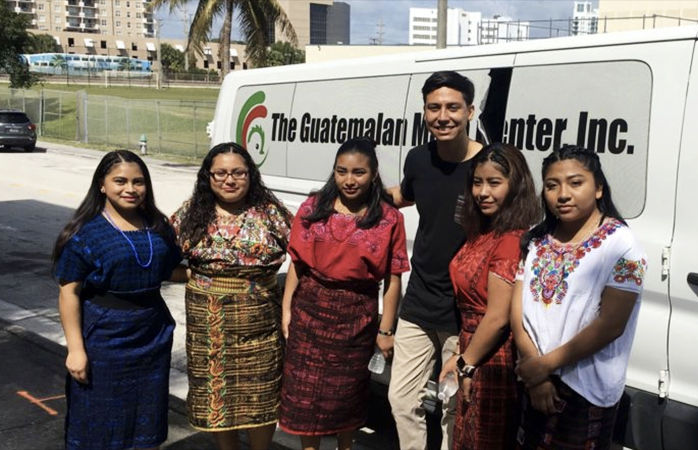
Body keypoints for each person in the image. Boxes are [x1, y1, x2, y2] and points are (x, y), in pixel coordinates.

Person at [511, 145, 647, 449]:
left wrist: (545, 367)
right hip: (535, 378)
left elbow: (611, 325)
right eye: (551, 185)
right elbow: (517, 312)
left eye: (576, 183)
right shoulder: (536, 240)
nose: (562, 194)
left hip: (584, 389)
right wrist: (536, 372)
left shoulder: (622, 246)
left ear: (598, 188)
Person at [279, 137, 409, 450]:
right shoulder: (313, 208)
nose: (349, 180)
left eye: (358, 172)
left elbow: (393, 279)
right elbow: (297, 264)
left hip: (356, 319)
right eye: (342, 171)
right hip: (309, 313)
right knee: (305, 398)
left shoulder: (390, 218)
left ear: (374, 174)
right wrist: (287, 311)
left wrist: (386, 329)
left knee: (346, 396)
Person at [52, 150, 184, 450]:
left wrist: (214, 273)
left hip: (152, 336)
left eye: (139, 182)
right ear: (102, 184)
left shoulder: (158, 226)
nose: (130, 189)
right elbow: (68, 292)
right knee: (98, 421)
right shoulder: (84, 233)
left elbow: (169, 270)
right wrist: (75, 350)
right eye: (120, 181)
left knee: (146, 421)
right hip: (104, 339)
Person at [170, 142, 292, 450]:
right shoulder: (192, 213)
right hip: (208, 324)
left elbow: (306, 257)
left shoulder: (270, 213)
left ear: (250, 174)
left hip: (260, 323)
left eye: (238, 172)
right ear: (208, 177)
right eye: (220, 173)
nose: (229, 180)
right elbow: (160, 257)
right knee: (216, 391)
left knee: (262, 391)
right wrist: (193, 276)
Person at [387, 70, 484, 450]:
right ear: (424, 113)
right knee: (401, 399)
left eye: (453, 107)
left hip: (465, 307)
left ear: (470, 111)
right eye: (434, 108)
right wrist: (351, 191)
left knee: (452, 404)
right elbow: (405, 195)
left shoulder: (488, 167)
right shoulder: (418, 158)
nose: (443, 116)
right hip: (419, 299)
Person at [438, 142, 540, 449]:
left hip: (493, 358)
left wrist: (466, 364)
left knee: (486, 439)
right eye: (477, 183)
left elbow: (497, 317)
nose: (483, 192)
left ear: (516, 186)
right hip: (473, 347)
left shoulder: (510, 239)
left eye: (494, 183)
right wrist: (461, 356)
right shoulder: (484, 231)